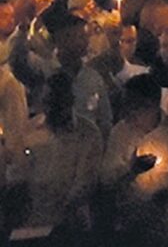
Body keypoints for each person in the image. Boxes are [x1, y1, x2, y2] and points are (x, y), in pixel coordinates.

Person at [102, 72, 168, 246]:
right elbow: (106, 177)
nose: (127, 111)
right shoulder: (119, 133)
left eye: (134, 105)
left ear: (151, 104)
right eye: (126, 104)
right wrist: (132, 170)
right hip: (132, 225)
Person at [8, 70, 103, 239]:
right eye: (47, 102)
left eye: (57, 103)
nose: (50, 109)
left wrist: (61, 215)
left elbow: (84, 184)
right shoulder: (30, 131)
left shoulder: (87, 134)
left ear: (70, 101)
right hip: (31, 220)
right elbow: (18, 173)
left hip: (68, 222)